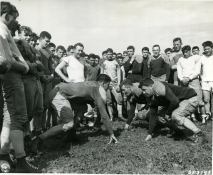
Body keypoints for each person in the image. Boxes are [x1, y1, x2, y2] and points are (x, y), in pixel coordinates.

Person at [29, 74, 118, 153]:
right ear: (103, 84)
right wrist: (111, 133)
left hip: (60, 90)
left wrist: (89, 101)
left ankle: (71, 135)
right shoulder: (97, 88)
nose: (108, 88)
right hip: (59, 94)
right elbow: (104, 115)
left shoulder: (91, 83)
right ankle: (38, 140)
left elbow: (79, 94)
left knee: (83, 107)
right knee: (68, 124)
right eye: (108, 85)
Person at [0, 1, 40, 172]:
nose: (13, 22)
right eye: (13, 19)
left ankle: (4, 155)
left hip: (11, 77)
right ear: (6, 15)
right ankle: (21, 160)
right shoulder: (2, 29)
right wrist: (25, 67)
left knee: (10, 119)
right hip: (12, 78)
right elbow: (5, 60)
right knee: (18, 119)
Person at [139, 78, 206, 146]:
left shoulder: (157, 86)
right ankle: (178, 132)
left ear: (151, 86)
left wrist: (168, 113)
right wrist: (150, 133)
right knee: (161, 117)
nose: (143, 92)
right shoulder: (149, 97)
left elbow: (175, 101)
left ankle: (200, 135)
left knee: (176, 115)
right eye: (142, 90)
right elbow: (153, 114)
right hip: (179, 102)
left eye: (144, 90)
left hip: (190, 97)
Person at [177, 45, 205, 122]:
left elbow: (197, 71)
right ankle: (191, 117)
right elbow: (179, 71)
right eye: (183, 52)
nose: (185, 54)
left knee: (199, 99)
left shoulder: (195, 58)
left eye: (186, 52)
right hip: (184, 82)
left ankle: (203, 117)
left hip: (194, 80)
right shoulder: (180, 60)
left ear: (189, 51)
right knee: (187, 99)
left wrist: (189, 78)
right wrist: (182, 79)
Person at [36, 31, 54, 131]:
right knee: (38, 105)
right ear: (41, 39)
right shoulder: (35, 50)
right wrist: (42, 77)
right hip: (39, 79)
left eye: (49, 41)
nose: (47, 43)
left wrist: (51, 75)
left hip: (48, 80)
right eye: (46, 41)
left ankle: (43, 126)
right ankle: (35, 128)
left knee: (46, 104)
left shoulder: (48, 52)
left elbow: (51, 66)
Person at [101, 48, 124, 121]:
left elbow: (118, 73)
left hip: (115, 83)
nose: (110, 56)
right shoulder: (104, 63)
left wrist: (119, 84)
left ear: (112, 54)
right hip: (107, 84)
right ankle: (111, 116)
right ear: (106, 55)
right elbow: (101, 73)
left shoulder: (116, 62)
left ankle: (120, 115)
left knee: (119, 100)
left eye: (111, 54)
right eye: (108, 54)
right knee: (109, 101)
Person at [197, 41, 213, 121]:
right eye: (205, 49)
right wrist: (201, 77)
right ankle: (207, 114)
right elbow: (199, 69)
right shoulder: (201, 57)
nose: (207, 50)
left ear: (212, 48)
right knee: (206, 100)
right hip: (205, 81)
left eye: (208, 49)